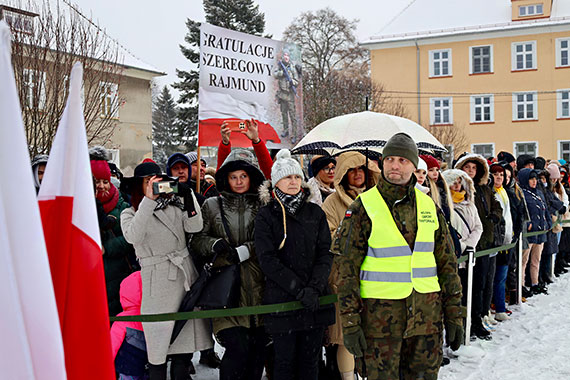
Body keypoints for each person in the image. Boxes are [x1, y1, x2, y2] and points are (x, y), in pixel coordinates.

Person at [335, 133, 464, 380]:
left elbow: (447, 265)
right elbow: (346, 270)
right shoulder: (363, 207)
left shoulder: (429, 207)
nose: (395, 165)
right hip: (380, 326)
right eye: (390, 159)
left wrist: (455, 314)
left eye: (403, 160)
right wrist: (350, 323)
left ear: (414, 167)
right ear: (382, 163)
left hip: (426, 322)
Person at [120, 161, 212, 380]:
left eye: (157, 181)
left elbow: (195, 227)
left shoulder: (175, 205)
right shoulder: (129, 212)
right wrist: (149, 201)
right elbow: (133, 236)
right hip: (157, 281)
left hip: (183, 276)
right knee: (158, 351)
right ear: (137, 186)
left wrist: (189, 197)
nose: (154, 185)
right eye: (147, 182)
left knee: (183, 348)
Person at [255, 149, 335, 380]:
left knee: (310, 364)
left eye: (297, 177)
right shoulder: (266, 215)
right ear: (275, 182)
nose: (293, 182)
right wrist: (298, 289)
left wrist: (313, 289)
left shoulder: (315, 213)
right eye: (288, 177)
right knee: (284, 364)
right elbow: (267, 259)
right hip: (282, 303)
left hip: (314, 302)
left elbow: (325, 253)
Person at [191, 149, 267, 380]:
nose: (239, 182)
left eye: (243, 176)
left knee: (257, 355)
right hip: (227, 290)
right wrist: (214, 245)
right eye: (234, 177)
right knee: (237, 349)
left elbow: (271, 240)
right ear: (226, 178)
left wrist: (247, 250)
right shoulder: (212, 205)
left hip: (260, 287)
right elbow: (197, 240)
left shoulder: (263, 204)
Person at [321, 152, 380, 380]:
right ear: (344, 174)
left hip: (376, 275)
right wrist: (357, 235)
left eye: (361, 169)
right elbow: (330, 236)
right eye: (352, 170)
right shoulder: (332, 202)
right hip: (344, 277)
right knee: (347, 334)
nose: (357, 174)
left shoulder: (378, 199)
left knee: (373, 331)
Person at [165, 152, 220, 370]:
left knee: (200, 311)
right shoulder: (163, 195)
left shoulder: (199, 197)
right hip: (173, 264)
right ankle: (182, 359)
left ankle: (206, 350)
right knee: (180, 312)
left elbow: (202, 227)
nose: (180, 172)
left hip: (197, 261)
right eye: (176, 168)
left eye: (184, 168)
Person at [454, 153, 502, 339]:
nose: (471, 171)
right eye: (467, 168)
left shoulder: (485, 189)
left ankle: (477, 319)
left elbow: (496, 206)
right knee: (466, 288)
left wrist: (494, 218)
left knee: (481, 285)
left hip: (484, 243)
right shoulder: (461, 190)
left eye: (474, 168)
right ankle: (466, 324)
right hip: (467, 247)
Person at [91, 159, 135, 316]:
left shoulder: (123, 207)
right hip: (93, 276)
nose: (101, 186)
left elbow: (131, 239)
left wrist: (107, 249)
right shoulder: (81, 209)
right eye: (96, 181)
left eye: (105, 181)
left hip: (119, 274)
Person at [442, 169, 483, 309]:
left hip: (469, 253)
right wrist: (460, 246)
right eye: (453, 182)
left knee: (468, 291)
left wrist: (468, 244)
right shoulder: (445, 206)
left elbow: (478, 227)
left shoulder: (470, 204)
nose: (457, 185)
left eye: (460, 182)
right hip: (454, 254)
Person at [110, 271, 148, 380]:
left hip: (127, 367)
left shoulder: (122, 319)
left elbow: (113, 345)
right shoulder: (152, 316)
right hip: (148, 365)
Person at [518, 168, 549, 297]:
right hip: (529, 233)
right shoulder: (522, 193)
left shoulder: (539, 193)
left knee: (536, 260)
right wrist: (527, 225)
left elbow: (545, 209)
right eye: (531, 179)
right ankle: (522, 285)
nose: (534, 181)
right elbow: (522, 213)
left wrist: (547, 223)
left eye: (535, 179)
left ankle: (535, 283)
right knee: (523, 261)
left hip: (540, 232)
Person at [489, 163, 514, 321]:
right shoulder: (491, 192)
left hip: (506, 240)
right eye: (496, 174)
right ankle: (495, 307)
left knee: (501, 276)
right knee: (494, 277)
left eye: (502, 175)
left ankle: (500, 306)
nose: (499, 177)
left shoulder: (503, 192)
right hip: (495, 241)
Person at [273, 51, 300, 143]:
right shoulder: (280, 66)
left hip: (290, 95)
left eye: (287, 55)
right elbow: (275, 74)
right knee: (284, 114)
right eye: (284, 55)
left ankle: (294, 135)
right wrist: (282, 73)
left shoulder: (293, 68)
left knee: (292, 116)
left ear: (289, 57)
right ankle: (286, 131)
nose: (286, 57)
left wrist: (293, 82)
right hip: (282, 94)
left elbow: (297, 81)